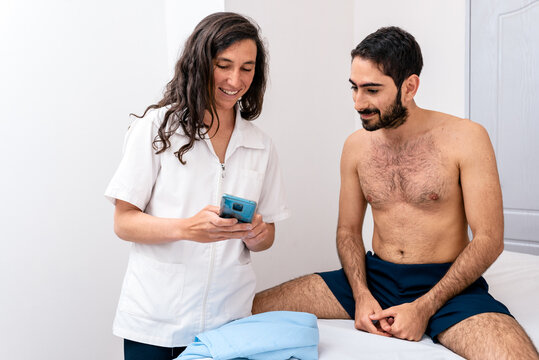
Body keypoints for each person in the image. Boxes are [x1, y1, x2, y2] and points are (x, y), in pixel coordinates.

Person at [252, 26, 539, 359]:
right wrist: (361, 295)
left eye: (372, 90)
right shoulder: (355, 147)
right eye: (354, 88)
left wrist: (423, 307)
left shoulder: (466, 138)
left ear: (410, 86)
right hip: (375, 278)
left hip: (447, 286)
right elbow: (348, 232)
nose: (359, 102)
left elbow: (490, 238)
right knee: (251, 307)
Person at [105, 12, 289, 360]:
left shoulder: (261, 146)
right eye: (224, 65)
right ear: (201, 63)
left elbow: (268, 238)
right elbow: (124, 221)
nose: (235, 79)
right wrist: (188, 228)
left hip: (227, 322)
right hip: (156, 319)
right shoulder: (156, 129)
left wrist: (256, 232)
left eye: (247, 67)